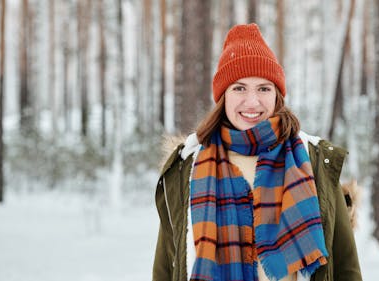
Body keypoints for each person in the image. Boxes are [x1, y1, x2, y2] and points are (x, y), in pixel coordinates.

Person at [153, 23, 362, 281]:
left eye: (263, 88)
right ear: (223, 97)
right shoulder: (188, 168)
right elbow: (165, 269)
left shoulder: (312, 161)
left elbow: (346, 269)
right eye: (239, 88)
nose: (252, 102)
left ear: (276, 95)